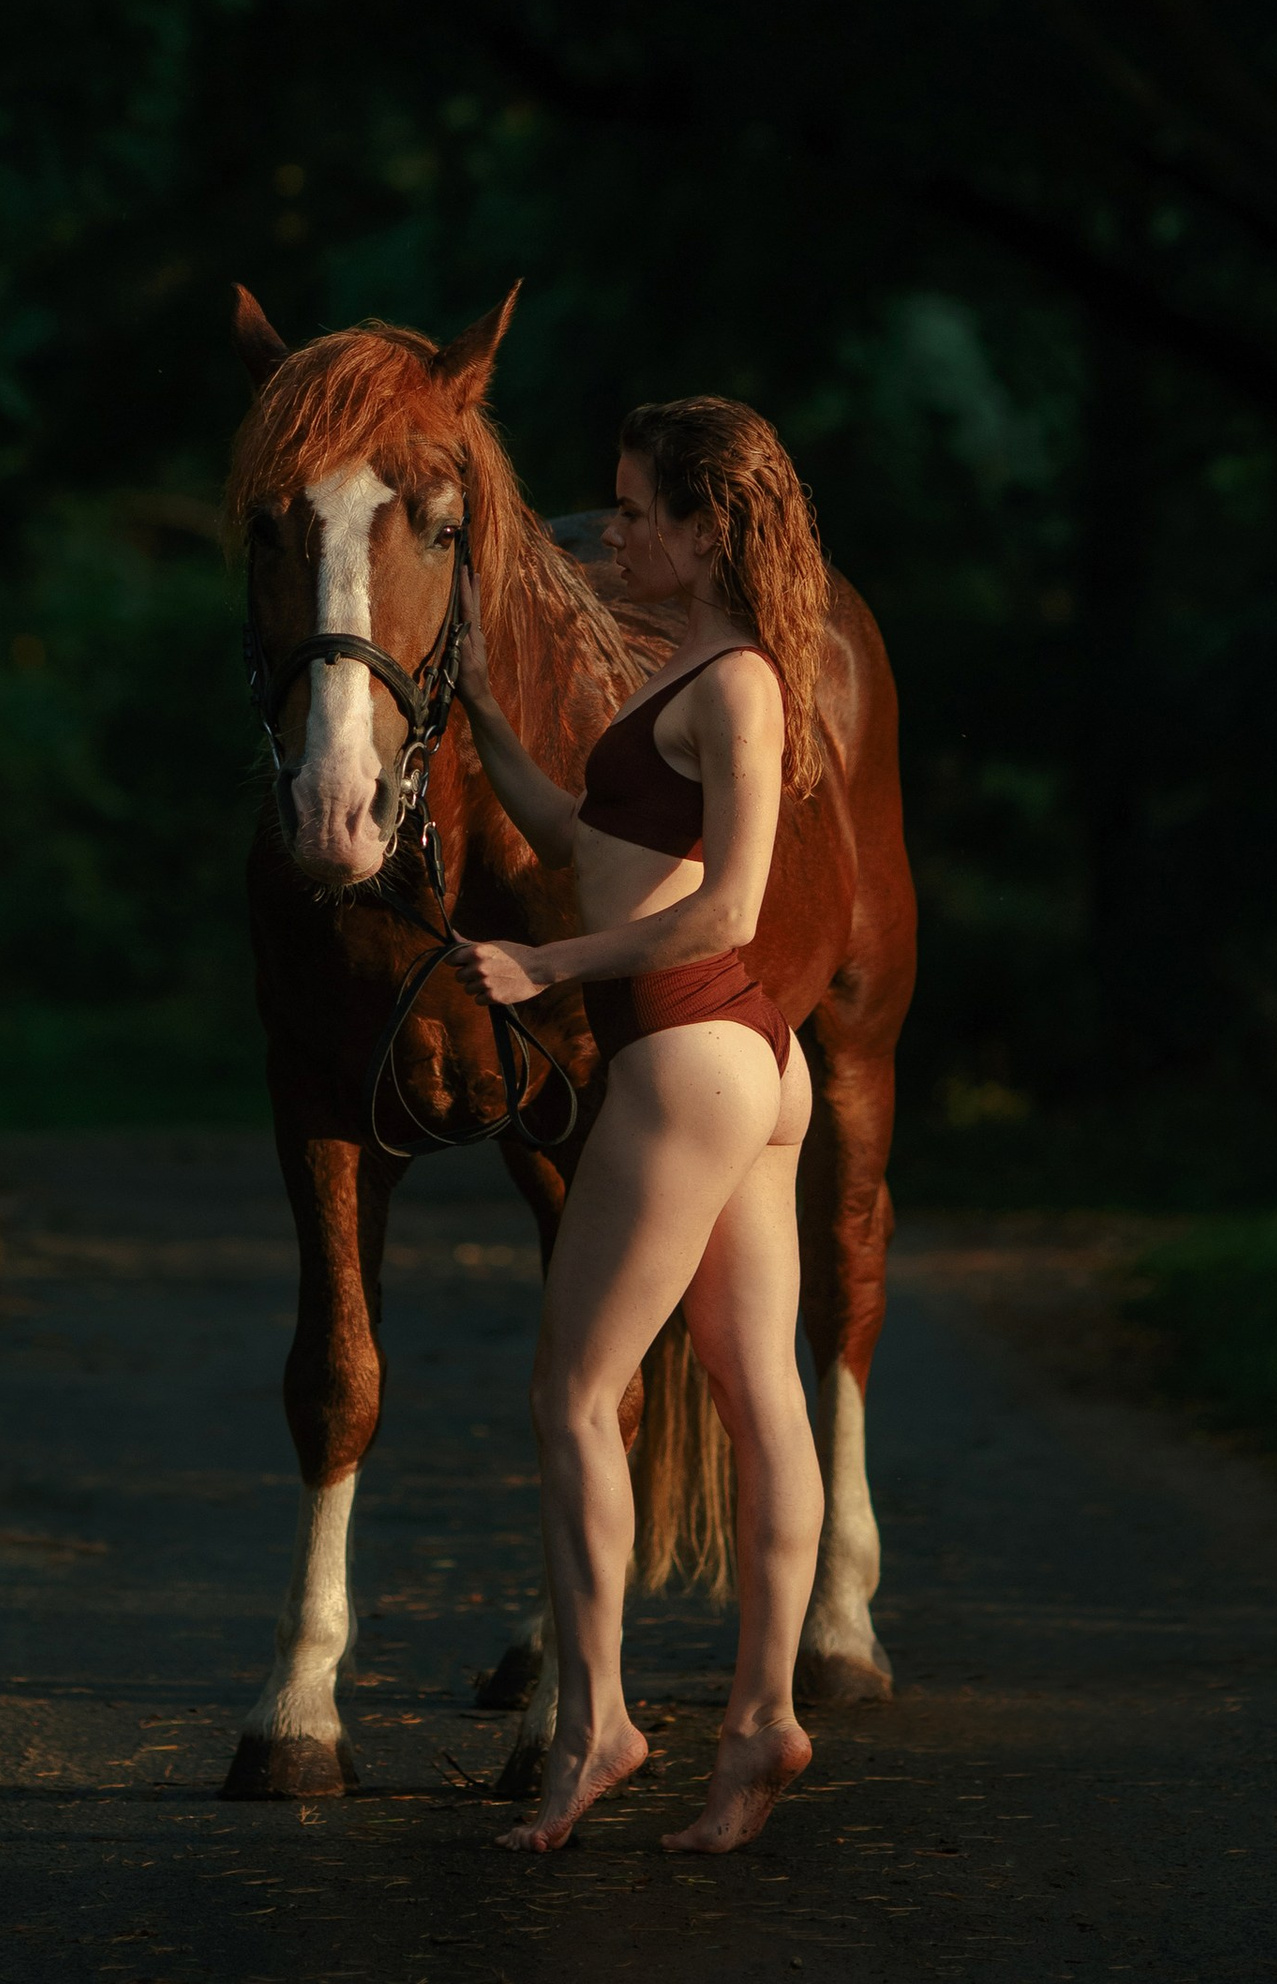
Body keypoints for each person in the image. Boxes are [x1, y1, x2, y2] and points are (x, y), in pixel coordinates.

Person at [449, 394, 828, 1857]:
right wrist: (483, 714)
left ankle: (603, 1716)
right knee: (753, 1396)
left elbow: (726, 910)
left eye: (635, 510)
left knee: (571, 1395)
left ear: (707, 527)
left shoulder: (737, 687)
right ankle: (758, 1724)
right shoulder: (689, 669)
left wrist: (544, 968)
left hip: (693, 1054)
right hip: (736, 1065)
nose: (611, 532)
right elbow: (585, 846)